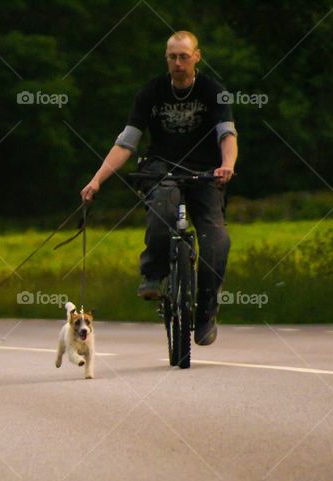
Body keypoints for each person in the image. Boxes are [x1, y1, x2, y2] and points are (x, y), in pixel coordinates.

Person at [80, 30, 237, 346]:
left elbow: (227, 134)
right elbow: (126, 142)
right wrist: (97, 179)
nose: (178, 63)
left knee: (216, 239)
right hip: (160, 166)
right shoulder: (150, 92)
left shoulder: (213, 90)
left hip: (206, 171)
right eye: (172, 57)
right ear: (166, 58)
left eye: (183, 56)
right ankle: (152, 275)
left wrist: (227, 165)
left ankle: (206, 311)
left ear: (197, 56)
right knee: (163, 201)